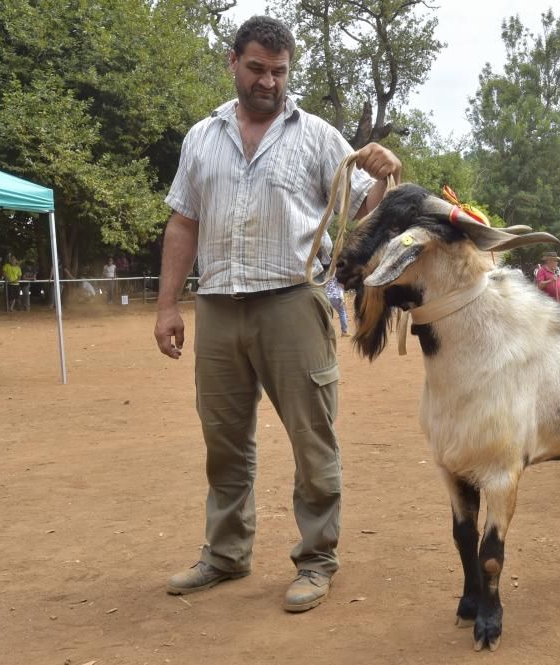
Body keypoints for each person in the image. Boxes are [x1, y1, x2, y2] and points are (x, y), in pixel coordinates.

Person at [153, 16, 401, 613]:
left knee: (313, 438)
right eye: (258, 68)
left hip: (293, 302)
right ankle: (226, 553)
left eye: (280, 71)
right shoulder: (200, 137)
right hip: (216, 306)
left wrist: (386, 174)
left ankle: (316, 560)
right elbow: (183, 221)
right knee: (224, 441)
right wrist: (167, 306)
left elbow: (362, 214)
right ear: (233, 63)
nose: (269, 81)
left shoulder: (317, 135)